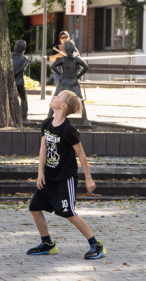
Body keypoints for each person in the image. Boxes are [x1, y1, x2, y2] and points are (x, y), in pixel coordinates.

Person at [26, 90, 105, 261]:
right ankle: (47, 243)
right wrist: (40, 173)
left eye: (57, 97)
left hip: (64, 178)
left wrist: (89, 178)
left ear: (63, 105)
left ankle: (96, 244)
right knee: (34, 207)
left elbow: (82, 155)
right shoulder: (46, 124)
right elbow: (43, 149)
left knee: (68, 211)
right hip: (49, 177)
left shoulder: (69, 130)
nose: (53, 97)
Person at [51, 40, 90, 124]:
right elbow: (86, 66)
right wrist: (78, 76)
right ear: (74, 49)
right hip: (73, 82)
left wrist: (61, 74)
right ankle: (85, 120)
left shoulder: (63, 59)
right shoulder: (76, 59)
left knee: (55, 97)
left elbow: (53, 66)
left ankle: (48, 117)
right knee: (80, 100)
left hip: (64, 82)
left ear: (64, 50)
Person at [12, 39, 30, 121]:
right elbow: (22, 69)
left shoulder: (10, 56)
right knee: (23, 98)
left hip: (10, 81)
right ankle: (24, 116)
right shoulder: (25, 58)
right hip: (19, 82)